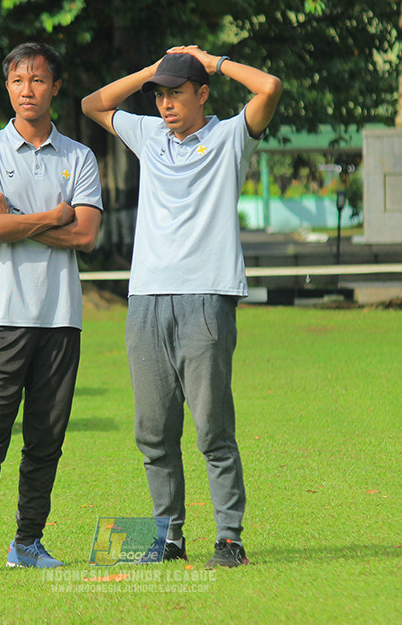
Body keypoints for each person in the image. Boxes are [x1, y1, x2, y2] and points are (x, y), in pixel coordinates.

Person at [81, 46, 281, 569]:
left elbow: (270, 88)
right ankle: (168, 537)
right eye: (160, 96)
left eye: (176, 93)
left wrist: (212, 60)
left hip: (206, 299)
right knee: (153, 431)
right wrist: (155, 70)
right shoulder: (150, 135)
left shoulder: (230, 137)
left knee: (212, 430)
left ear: (202, 94)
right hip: (146, 299)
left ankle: (229, 539)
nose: (166, 104)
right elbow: (91, 104)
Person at [0, 42, 103, 576]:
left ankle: (28, 543)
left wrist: (16, 219)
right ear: (7, 87)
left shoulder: (79, 157)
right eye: (17, 80)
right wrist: (53, 216)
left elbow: (84, 236)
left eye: (37, 80)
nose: (26, 90)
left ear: (56, 86)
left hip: (60, 318)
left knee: (45, 438)